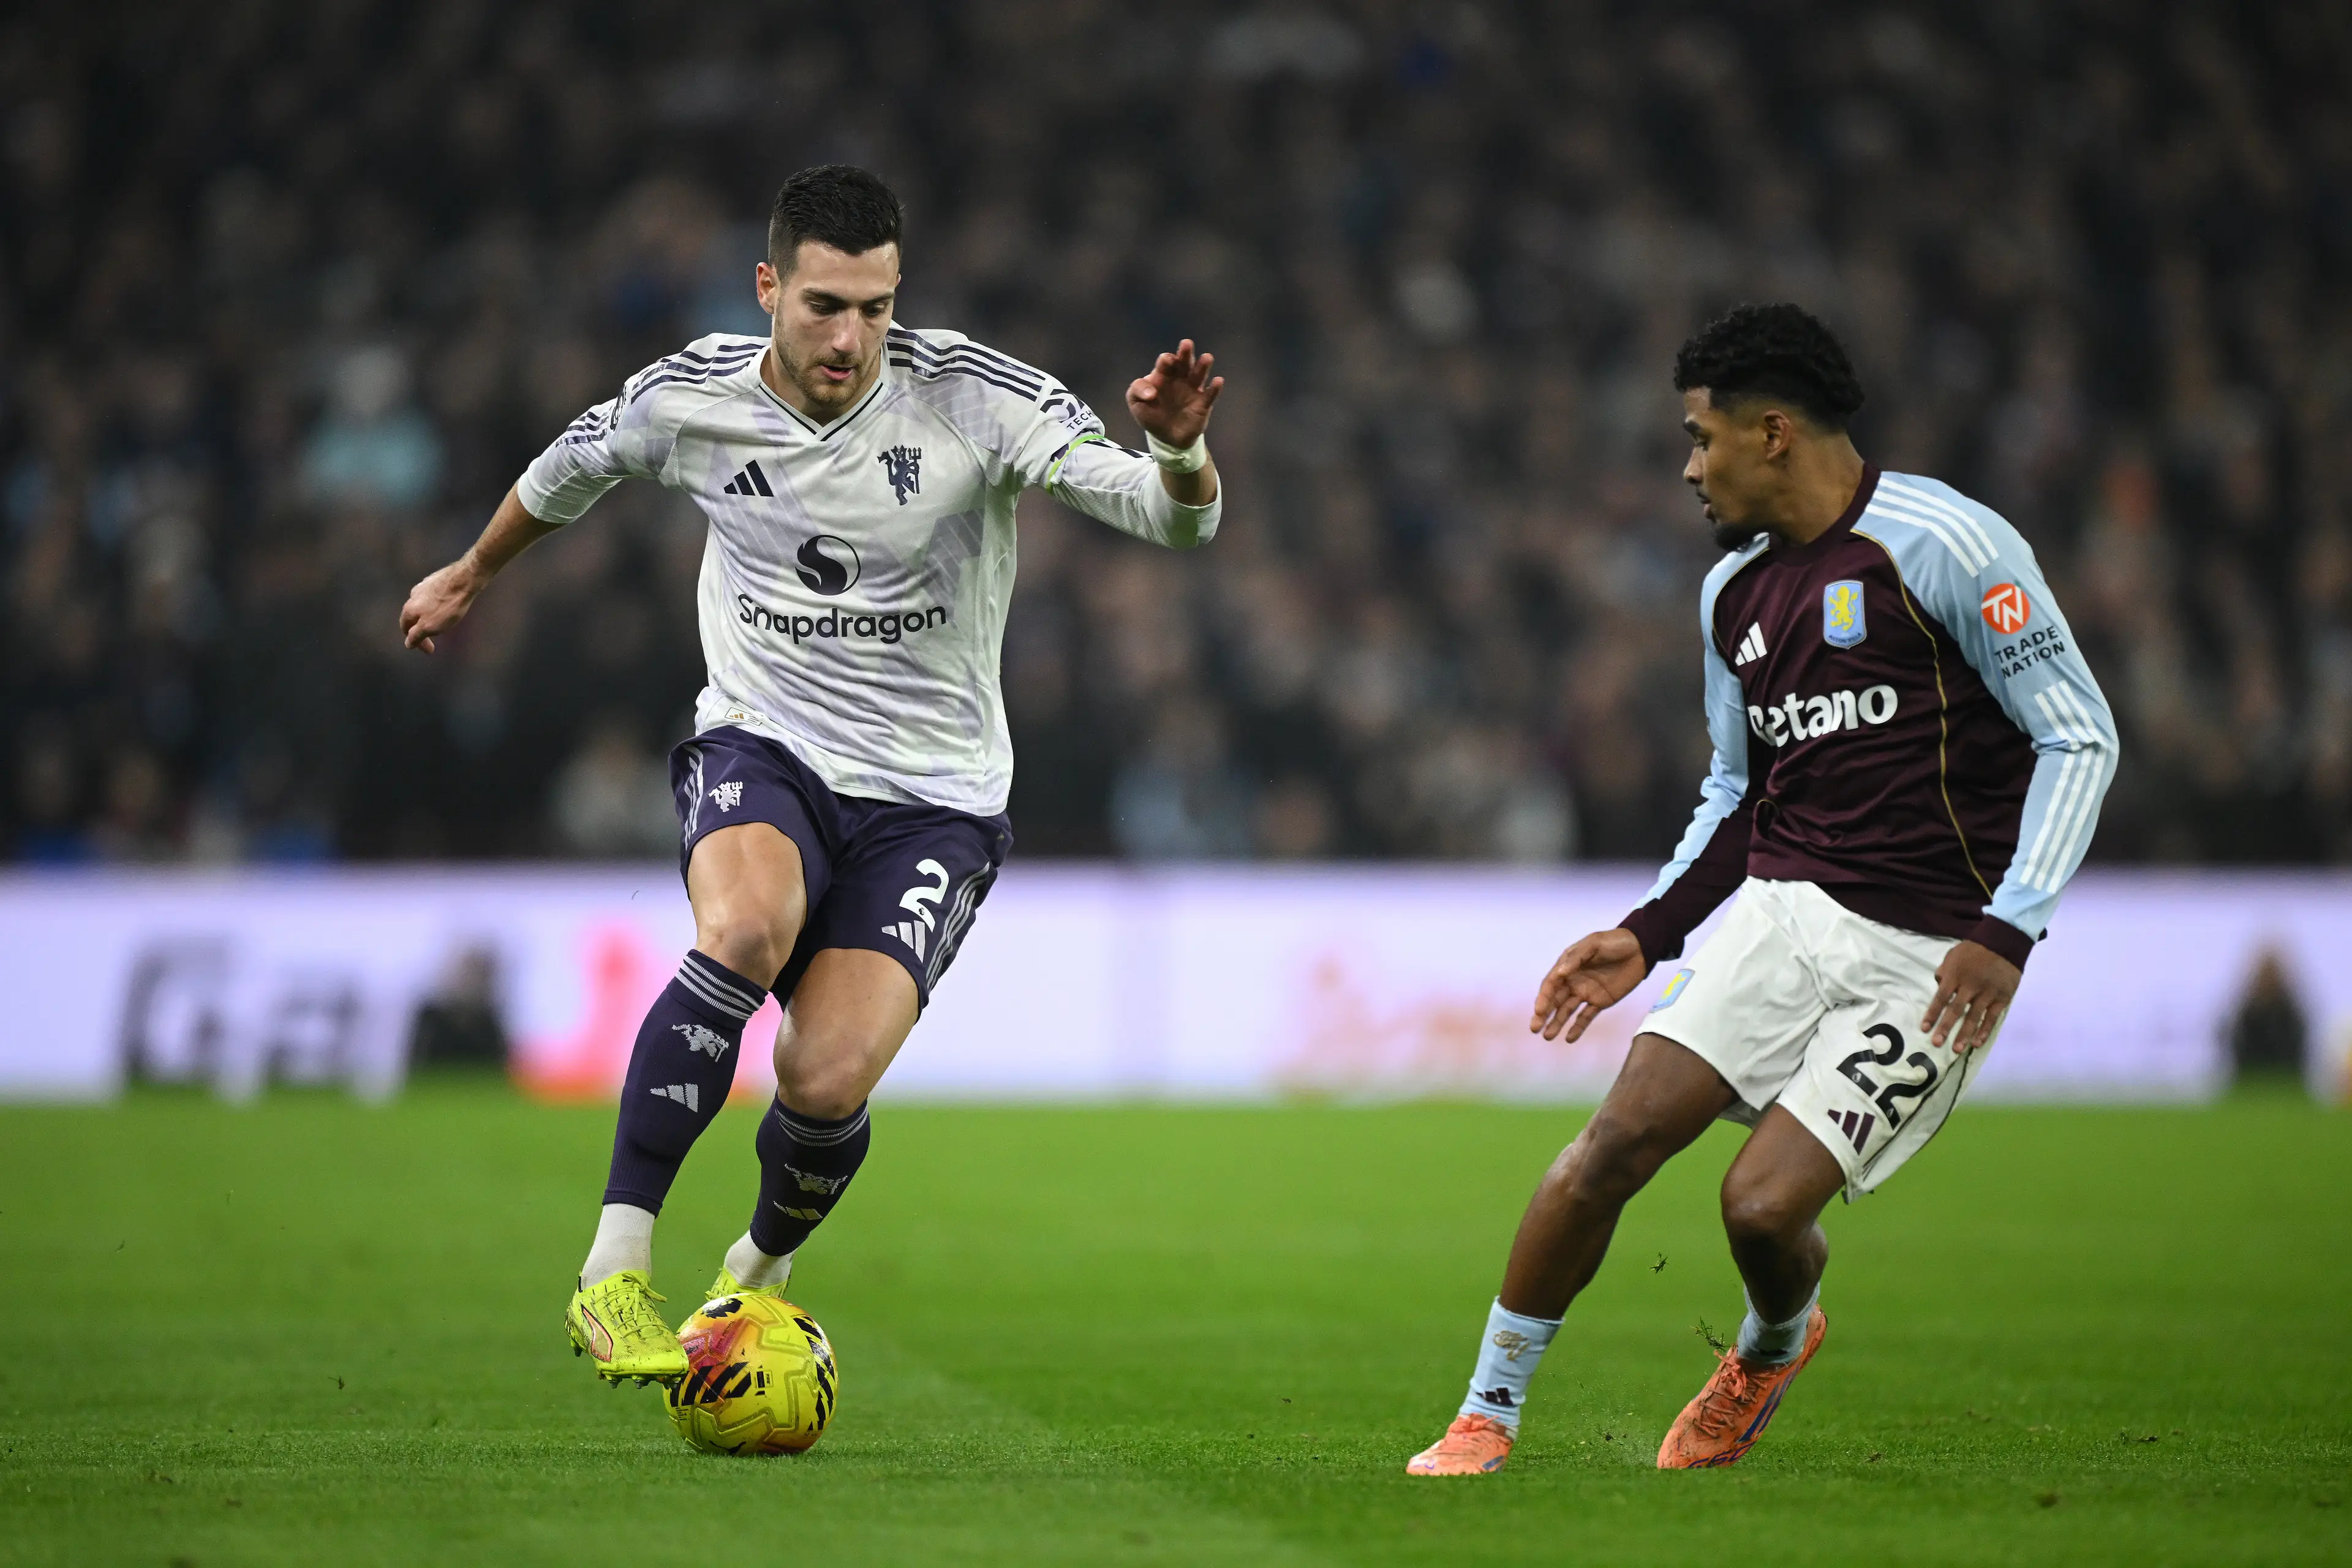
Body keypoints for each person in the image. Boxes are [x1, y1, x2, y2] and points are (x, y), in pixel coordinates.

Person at [397, 165, 1225, 1384]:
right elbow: (570, 467)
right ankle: (613, 1270)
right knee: (742, 929)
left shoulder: (973, 397)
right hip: (764, 740)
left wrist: (1180, 453)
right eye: (828, 304)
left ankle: (753, 1278)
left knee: (824, 1076)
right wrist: (472, 570)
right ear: (769, 288)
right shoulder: (694, 396)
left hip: (936, 798)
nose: (853, 338)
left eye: (878, 308)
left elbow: (1173, 524)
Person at [1406, 303, 2117, 1475]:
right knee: (1615, 1141)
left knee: (1760, 1210)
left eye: (1700, 438)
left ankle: (1772, 1346)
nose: (1689, 468)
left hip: (1929, 959)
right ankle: (1487, 1411)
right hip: (1784, 915)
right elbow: (1741, 793)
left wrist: (2009, 927)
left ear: (1773, 432)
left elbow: (2079, 737)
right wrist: (1649, 932)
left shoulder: (1947, 543)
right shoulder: (1732, 596)